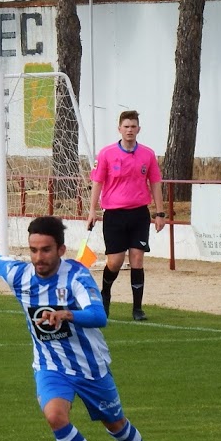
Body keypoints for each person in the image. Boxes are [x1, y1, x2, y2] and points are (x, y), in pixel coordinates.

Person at [0, 215, 167, 441]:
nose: (39, 257)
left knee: (118, 427)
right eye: (33, 250)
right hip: (50, 365)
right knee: (54, 416)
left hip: (90, 367)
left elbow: (99, 316)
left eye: (46, 250)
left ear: (61, 250)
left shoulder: (76, 276)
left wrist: (67, 314)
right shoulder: (21, 275)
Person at [87, 110, 165, 320]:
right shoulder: (106, 154)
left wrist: (160, 212)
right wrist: (92, 210)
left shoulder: (148, 154)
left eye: (133, 126)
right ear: (119, 129)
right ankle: (105, 293)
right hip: (114, 215)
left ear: (139, 129)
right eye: (126, 126)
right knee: (115, 262)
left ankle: (137, 308)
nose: (130, 130)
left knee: (137, 259)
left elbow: (155, 183)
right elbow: (97, 182)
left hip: (139, 214)